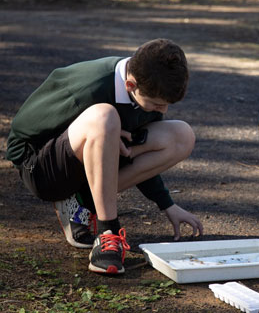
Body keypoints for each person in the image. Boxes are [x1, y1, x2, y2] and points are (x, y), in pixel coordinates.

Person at [6, 39, 204, 274]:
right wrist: (97, 135)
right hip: (42, 170)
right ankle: (108, 231)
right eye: (156, 104)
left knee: (181, 134)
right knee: (104, 117)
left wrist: (166, 204)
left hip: (90, 162)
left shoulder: (147, 85)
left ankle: (83, 204)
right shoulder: (90, 86)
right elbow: (19, 137)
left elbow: (138, 151)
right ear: (130, 85)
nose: (162, 111)